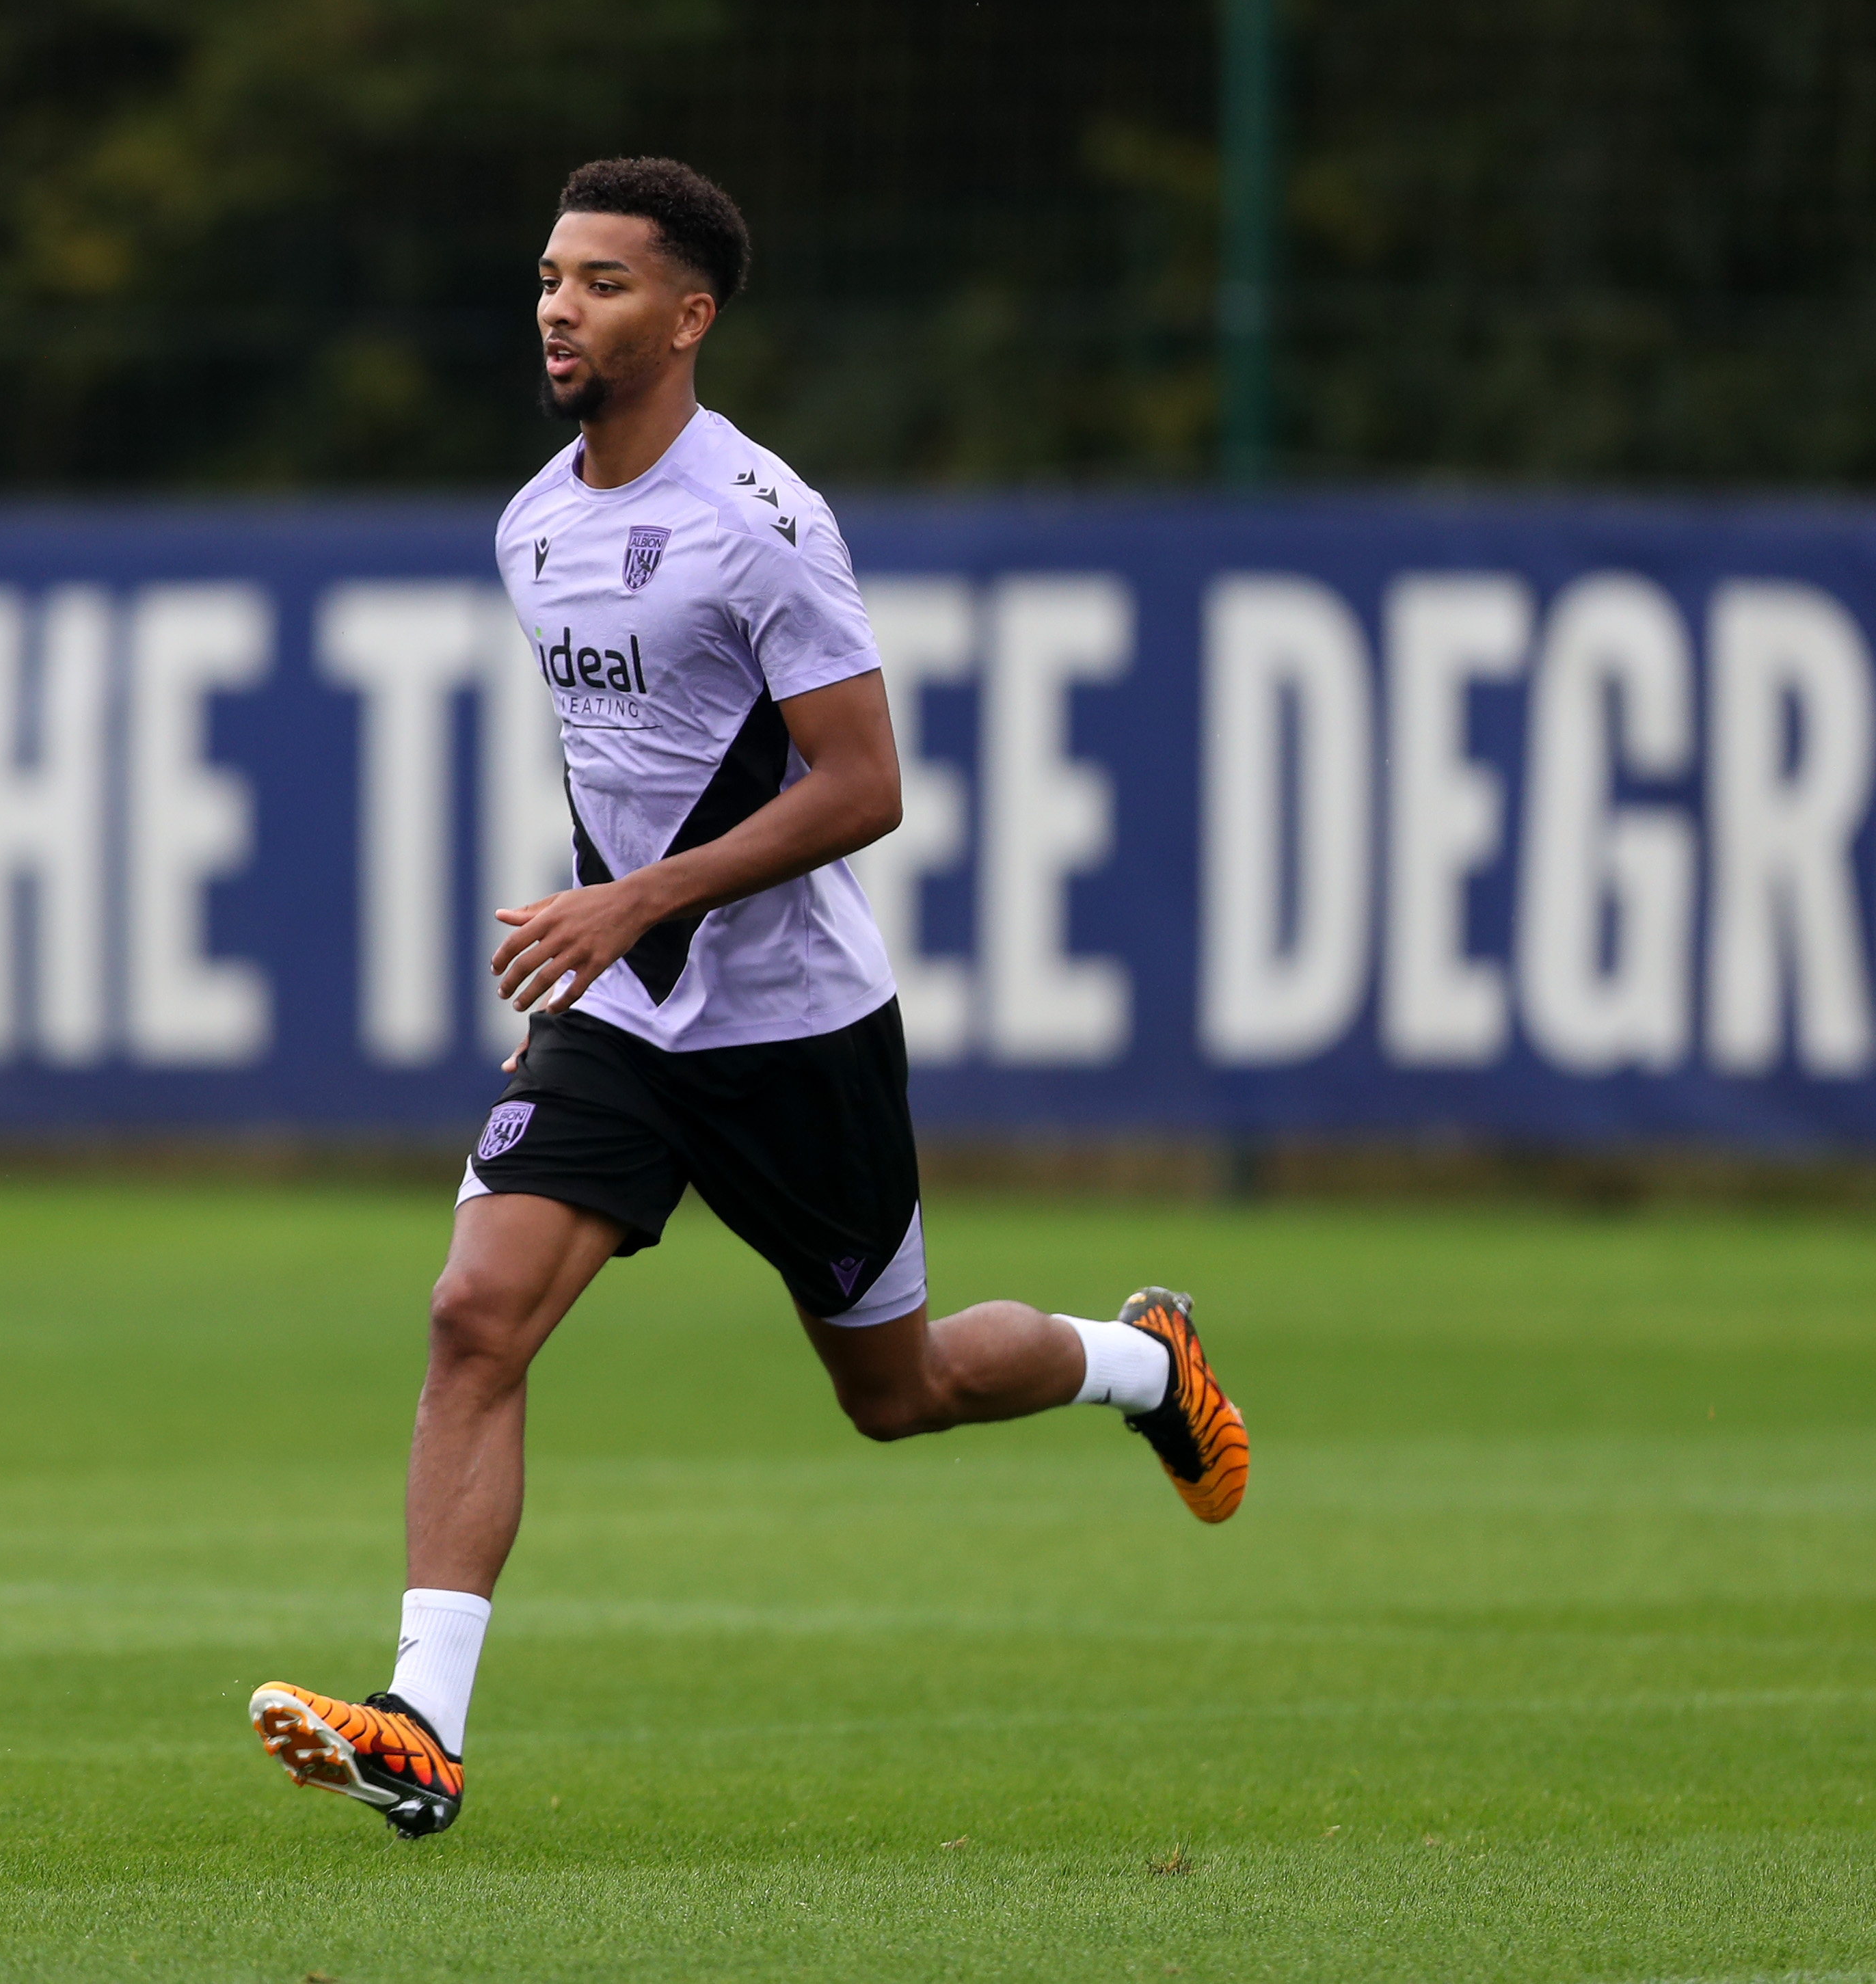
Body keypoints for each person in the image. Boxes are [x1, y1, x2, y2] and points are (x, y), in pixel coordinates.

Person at [247, 157, 1248, 1839]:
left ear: (690, 316)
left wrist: (631, 900)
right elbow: (628, 774)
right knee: (469, 1316)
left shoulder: (761, 523)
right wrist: (590, 947)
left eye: (605, 281)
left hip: (797, 1033)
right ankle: (422, 1724)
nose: (560, 304)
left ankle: (1140, 1365)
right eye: (551, 275)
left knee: (896, 1390)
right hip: (623, 1019)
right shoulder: (532, 522)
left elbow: (861, 786)